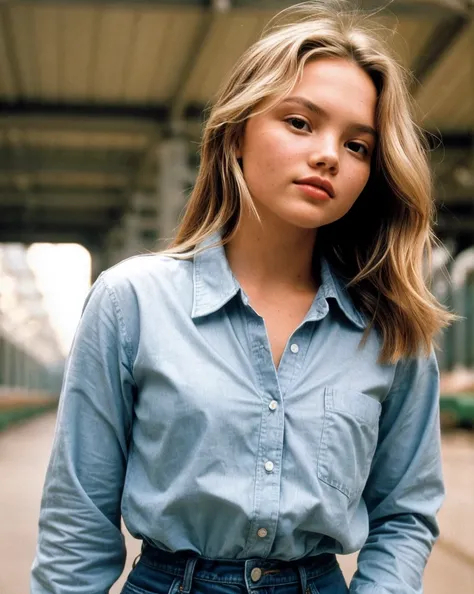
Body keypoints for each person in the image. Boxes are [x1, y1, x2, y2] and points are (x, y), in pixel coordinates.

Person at [31, 2, 453, 593]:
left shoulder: (392, 330)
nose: (330, 154)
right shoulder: (133, 301)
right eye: (301, 123)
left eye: (357, 145)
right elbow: (78, 515)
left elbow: (405, 512)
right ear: (236, 135)